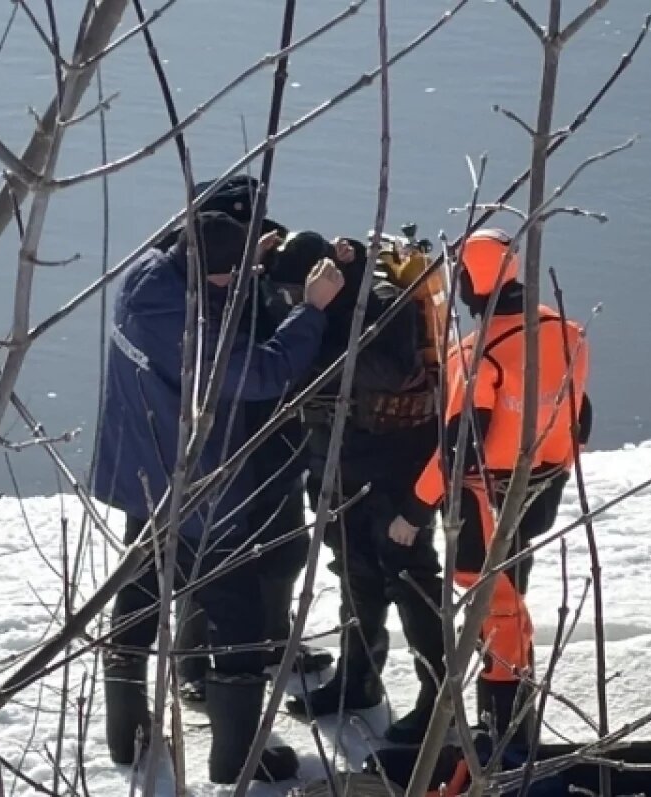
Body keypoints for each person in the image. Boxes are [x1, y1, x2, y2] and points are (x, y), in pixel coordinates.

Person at [92, 209, 346, 784]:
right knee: (235, 611)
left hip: (142, 471)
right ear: (212, 275)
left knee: (140, 590)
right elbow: (262, 372)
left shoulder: (147, 276)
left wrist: (246, 250)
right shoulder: (192, 330)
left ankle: (126, 729)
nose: (240, 284)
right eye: (234, 275)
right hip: (197, 487)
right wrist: (312, 308)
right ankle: (235, 756)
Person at [386, 228, 593, 755]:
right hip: (543, 488)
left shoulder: (478, 353)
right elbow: (580, 414)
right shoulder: (566, 331)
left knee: (494, 609)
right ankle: (509, 725)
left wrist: (414, 509)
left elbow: (458, 450)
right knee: (509, 599)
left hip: (487, 501)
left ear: (472, 283)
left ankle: (502, 737)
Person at [263, 230, 448, 745]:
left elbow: (392, 370)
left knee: (407, 577)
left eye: (296, 293)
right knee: (351, 568)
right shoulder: (303, 306)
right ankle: (358, 679)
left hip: (394, 461)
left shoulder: (382, 302)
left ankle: (439, 699)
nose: (290, 303)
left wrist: (321, 331)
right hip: (338, 458)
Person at [165, 177, 333, 705]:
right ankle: (193, 661)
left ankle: (275, 642)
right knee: (207, 559)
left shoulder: (251, 265)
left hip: (274, 436)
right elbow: (262, 366)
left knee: (284, 548)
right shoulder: (180, 289)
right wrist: (309, 308)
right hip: (214, 447)